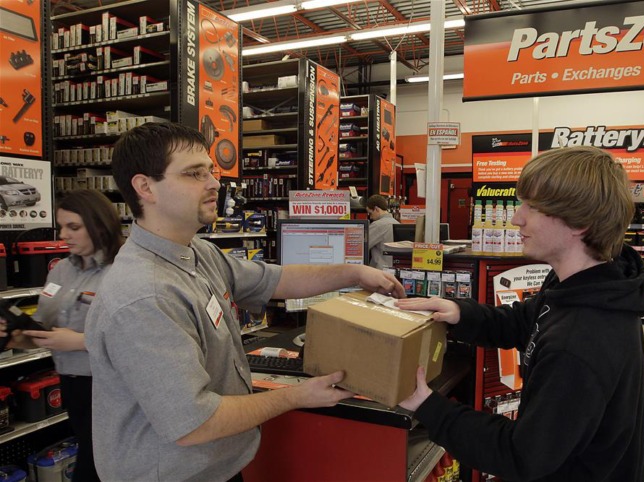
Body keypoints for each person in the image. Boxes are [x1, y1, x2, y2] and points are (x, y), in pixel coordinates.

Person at [84, 122, 405, 482]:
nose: (214, 184)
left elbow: (278, 279)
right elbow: (195, 423)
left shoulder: (197, 252)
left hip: (217, 467)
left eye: (210, 170)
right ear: (145, 188)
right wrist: (296, 396)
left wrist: (353, 272)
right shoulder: (144, 295)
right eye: (194, 173)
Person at [396, 146, 644, 481]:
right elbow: (525, 322)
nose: (517, 218)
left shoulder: (579, 342)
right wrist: (460, 312)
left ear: (580, 224)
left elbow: (520, 455)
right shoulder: (585, 283)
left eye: (533, 207)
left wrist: (428, 405)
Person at [1, 189, 124, 482]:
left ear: (99, 224)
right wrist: (14, 334)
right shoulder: (61, 272)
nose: (64, 235)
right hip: (72, 384)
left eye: (74, 227)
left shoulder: (123, 271)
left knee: (100, 466)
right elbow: (44, 328)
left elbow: (139, 337)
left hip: (111, 386)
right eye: (61, 227)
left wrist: (80, 342)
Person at [366, 194, 399, 269]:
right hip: (394, 270)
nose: (370, 217)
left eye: (370, 213)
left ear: (376, 209)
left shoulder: (377, 225)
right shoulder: (397, 223)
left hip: (379, 271)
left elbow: (362, 246)